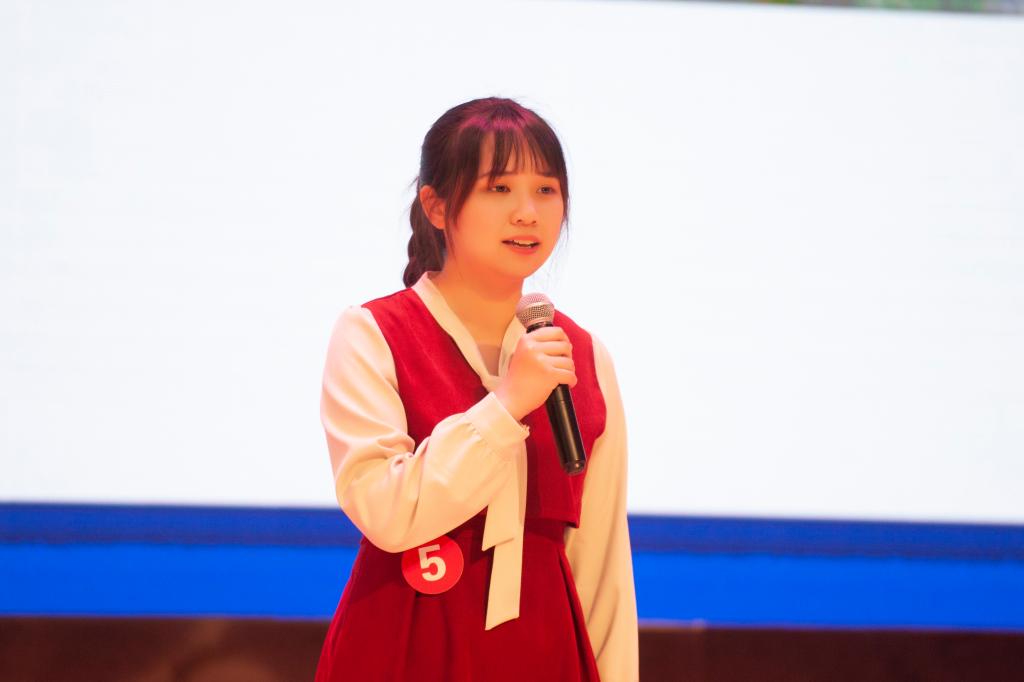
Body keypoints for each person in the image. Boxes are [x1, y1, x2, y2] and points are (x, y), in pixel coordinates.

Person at [314, 96, 638, 682]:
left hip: (543, 653)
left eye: (546, 190)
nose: (527, 213)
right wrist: (507, 404)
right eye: (499, 188)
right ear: (436, 206)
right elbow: (387, 513)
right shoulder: (372, 333)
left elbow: (601, 564)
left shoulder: (584, 355)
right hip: (402, 647)